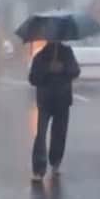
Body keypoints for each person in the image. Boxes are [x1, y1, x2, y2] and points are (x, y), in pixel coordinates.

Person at [29, 40, 81, 180]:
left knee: (59, 133)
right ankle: (39, 169)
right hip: (45, 101)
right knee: (41, 134)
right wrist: (47, 69)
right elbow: (33, 78)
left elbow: (75, 71)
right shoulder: (40, 56)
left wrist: (63, 68)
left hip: (62, 100)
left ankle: (56, 161)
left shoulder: (67, 53)